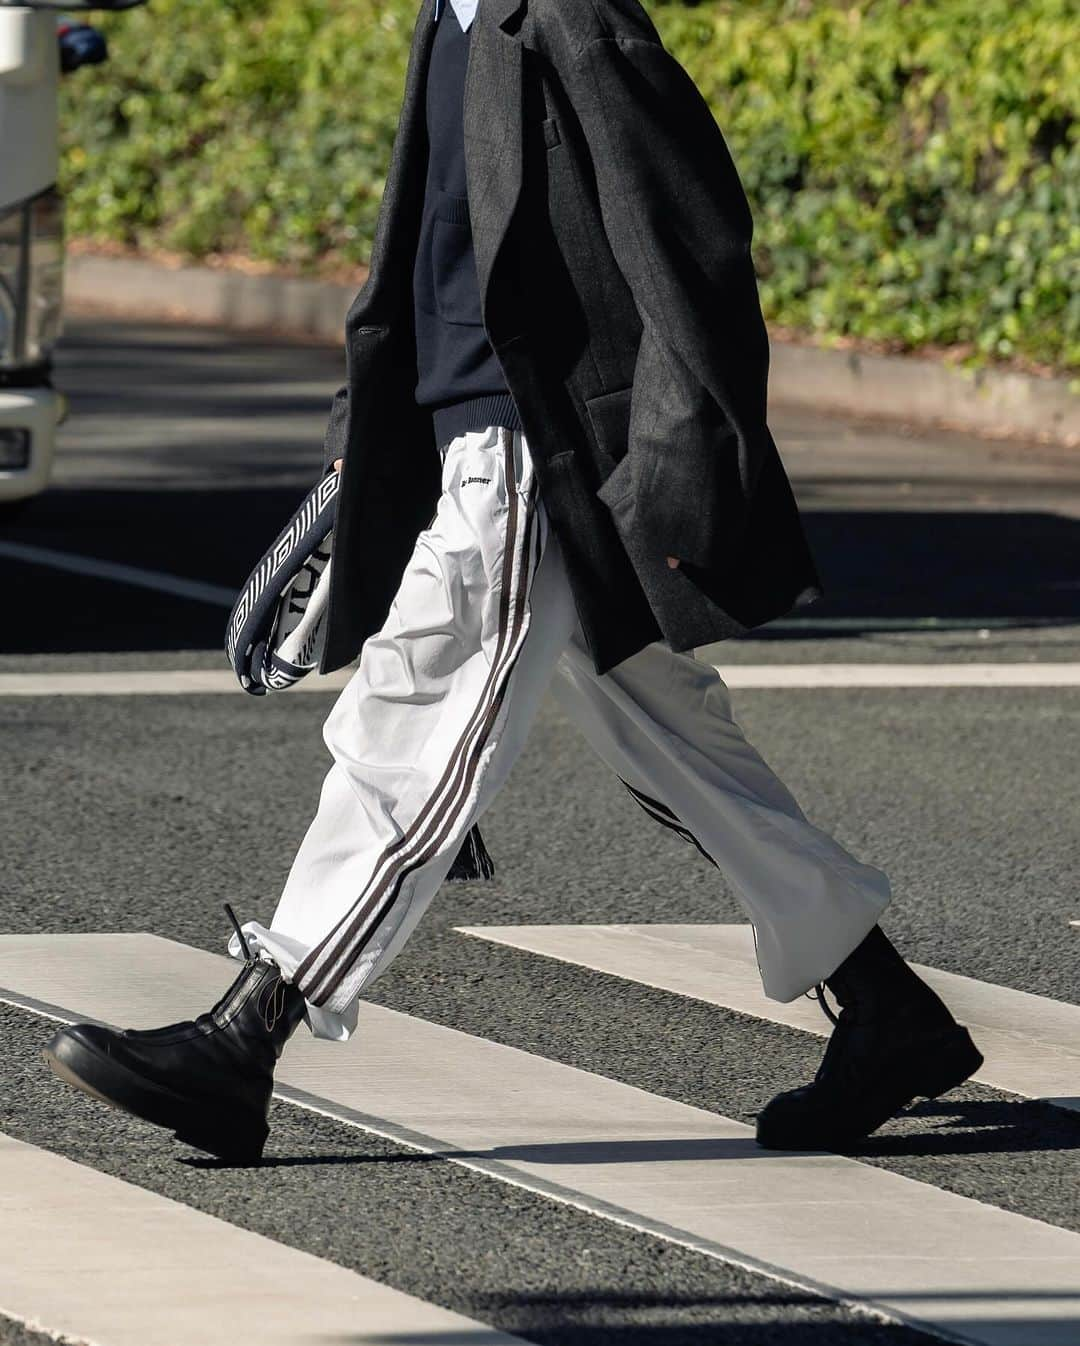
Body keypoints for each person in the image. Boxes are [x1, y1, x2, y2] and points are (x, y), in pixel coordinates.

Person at [43, 0, 982, 1162]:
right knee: (673, 742)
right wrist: (363, 452)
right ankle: (886, 1006)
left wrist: (689, 445)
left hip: (538, 450)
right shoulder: (458, 19)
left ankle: (253, 1027)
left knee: (421, 716)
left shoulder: (567, 17)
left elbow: (687, 228)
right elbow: (426, 267)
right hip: (471, 443)